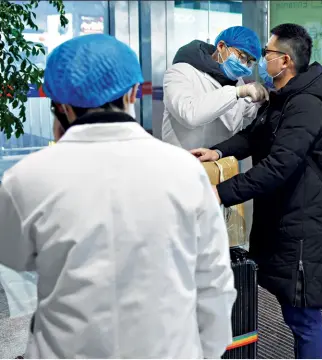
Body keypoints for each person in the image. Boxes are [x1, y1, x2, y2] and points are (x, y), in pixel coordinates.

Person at [0, 34, 236, 358]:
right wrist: (203, 352)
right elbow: (214, 282)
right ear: (133, 93)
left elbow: (14, 257)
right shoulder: (186, 171)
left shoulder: (25, 179)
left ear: (60, 106)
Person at [191, 23, 322, 359]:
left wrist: (220, 192)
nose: (262, 60)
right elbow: (256, 137)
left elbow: (279, 165)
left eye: (268, 53)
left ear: (284, 61)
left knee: (304, 316)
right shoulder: (284, 97)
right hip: (284, 216)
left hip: (302, 223)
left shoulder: (306, 105)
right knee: (292, 309)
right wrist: (218, 151)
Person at [162, 26, 268, 150]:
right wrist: (238, 92)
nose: (245, 66)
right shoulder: (180, 72)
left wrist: (262, 100)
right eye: (242, 57)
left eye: (250, 62)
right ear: (221, 46)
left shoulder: (236, 81)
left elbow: (245, 109)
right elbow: (189, 114)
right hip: (184, 163)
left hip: (220, 163)